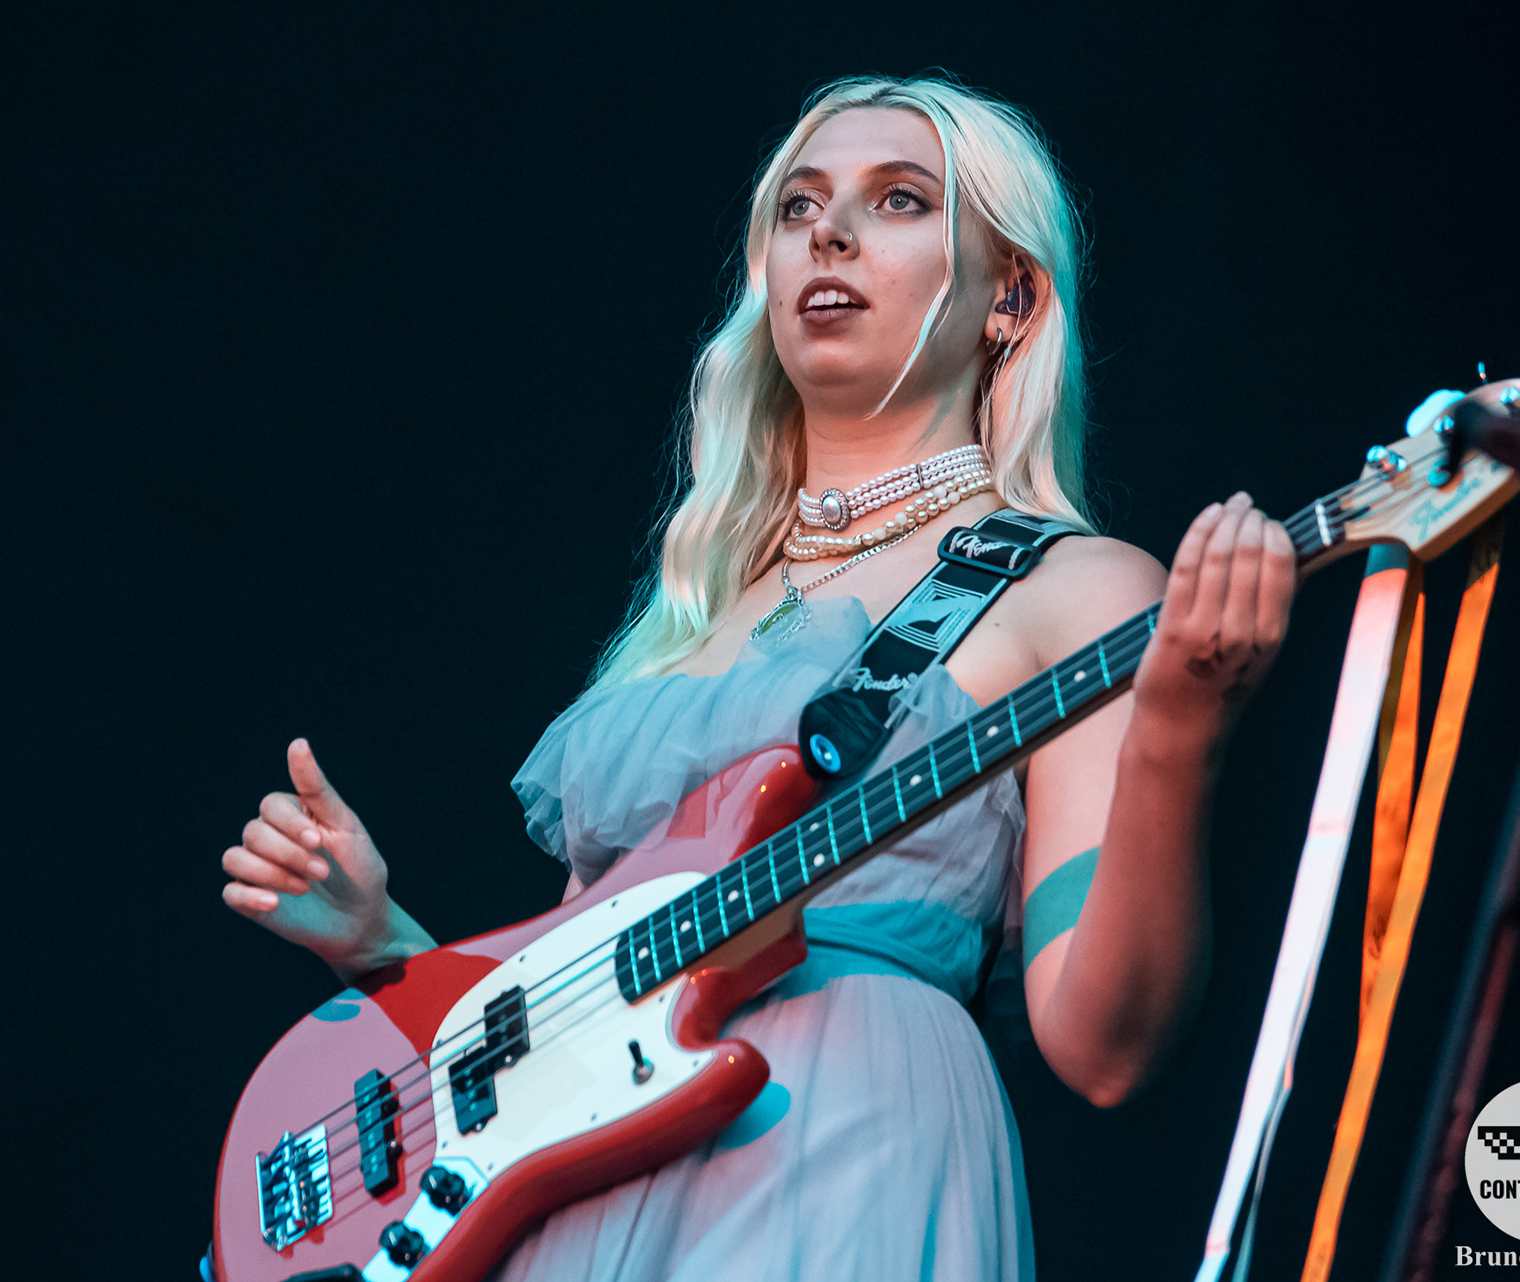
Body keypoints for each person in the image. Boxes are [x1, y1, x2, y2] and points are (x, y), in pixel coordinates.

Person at [218, 75, 1298, 1281]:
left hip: (842, 1147)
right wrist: (386, 948)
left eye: (899, 200)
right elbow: (582, 1001)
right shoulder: (692, 616)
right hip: (584, 1192)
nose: (830, 233)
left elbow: (1105, 1046)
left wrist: (1178, 732)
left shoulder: (1075, 588)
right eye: (799, 206)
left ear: (1010, 297)